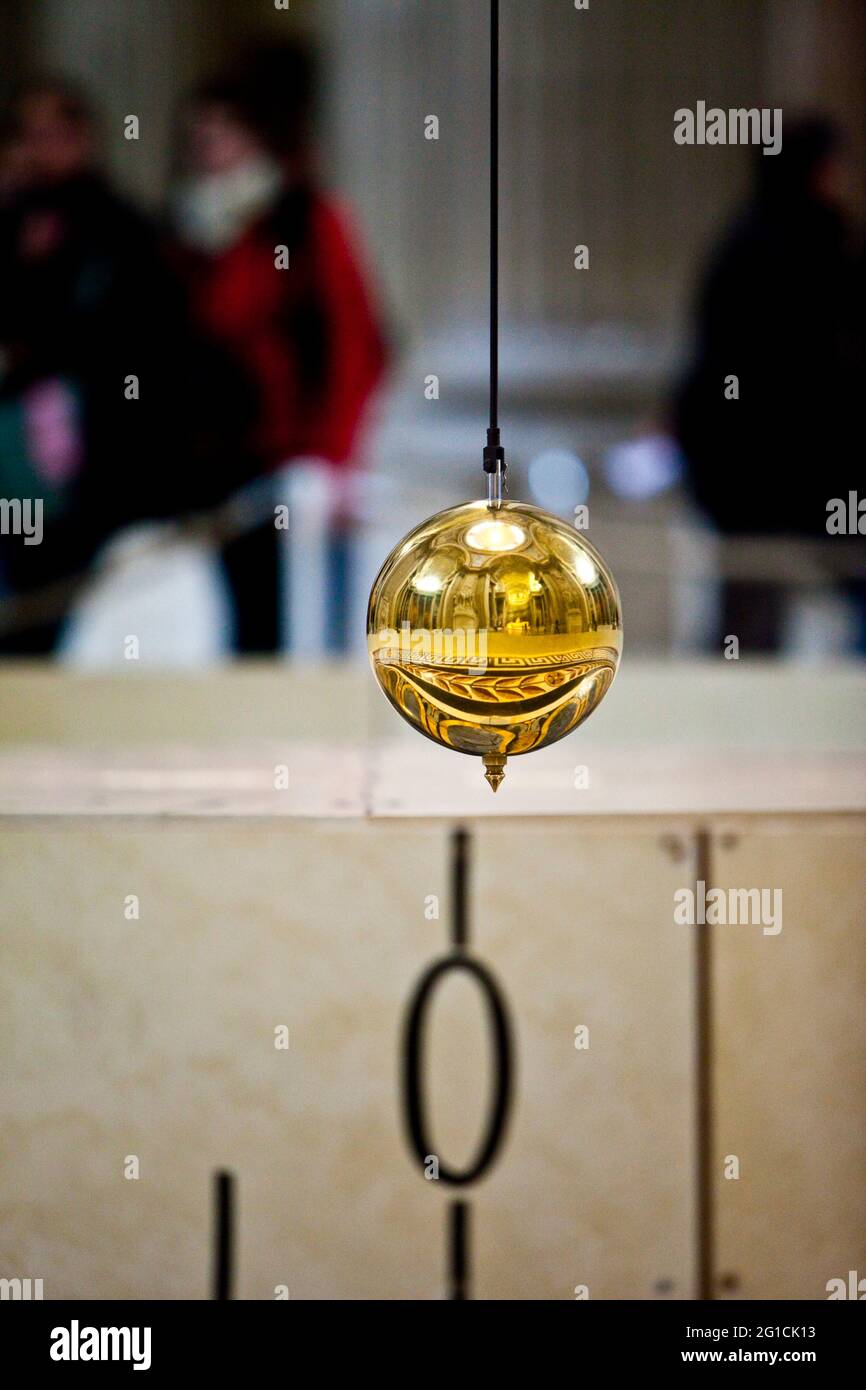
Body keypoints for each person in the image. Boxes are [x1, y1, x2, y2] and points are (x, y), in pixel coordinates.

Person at [172, 43, 387, 654]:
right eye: (200, 136)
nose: (210, 149)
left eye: (225, 133)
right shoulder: (189, 236)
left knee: (311, 628)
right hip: (224, 472)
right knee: (245, 631)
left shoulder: (310, 222)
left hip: (300, 471)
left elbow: (355, 347)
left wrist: (334, 460)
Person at [674, 117, 863, 652]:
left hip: (751, 474)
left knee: (750, 616)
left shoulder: (742, 244)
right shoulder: (817, 247)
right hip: (790, 469)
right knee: (755, 608)